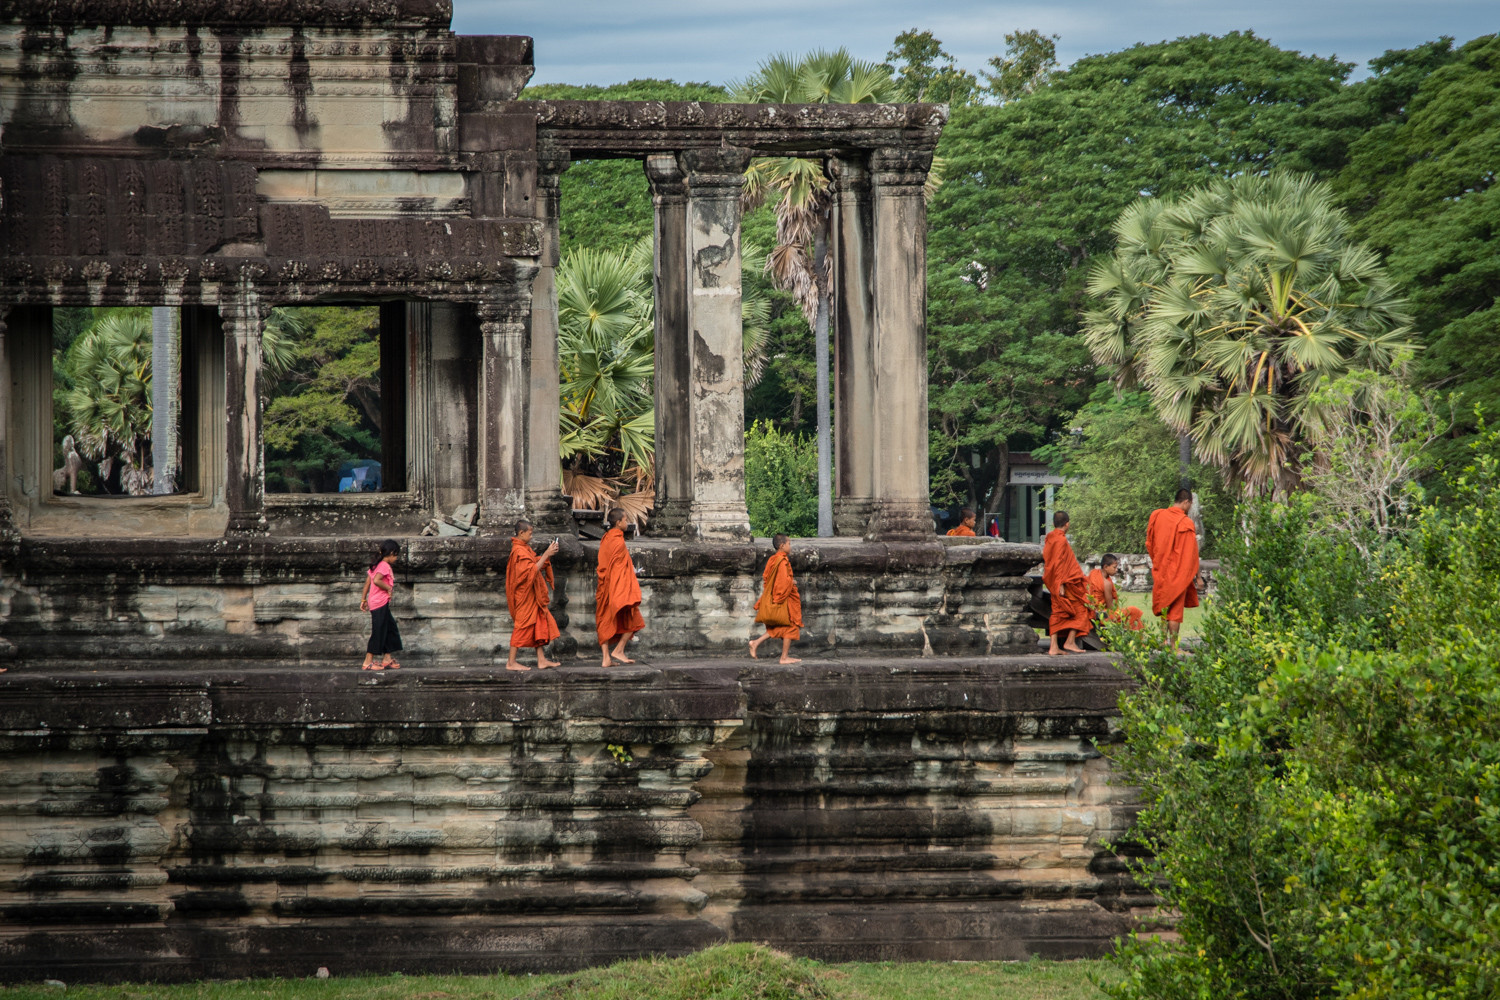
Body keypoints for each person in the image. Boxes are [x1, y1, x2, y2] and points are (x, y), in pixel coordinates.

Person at [1146, 488, 1201, 648]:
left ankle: (1163, 641)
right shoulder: (1185, 522)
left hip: (1161, 569)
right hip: (1178, 573)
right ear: (1186, 502)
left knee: (1165, 607)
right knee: (1175, 612)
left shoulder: (1157, 515)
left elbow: (1150, 543)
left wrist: (1158, 561)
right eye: (1190, 505)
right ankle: (1173, 646)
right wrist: (1197, 576)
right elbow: (1192, 552)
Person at [505, 519, 561, 671]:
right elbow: (530, 572)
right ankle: (511, 662)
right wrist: (546, 555)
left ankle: (541, 660)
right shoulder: (518, 551)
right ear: (521, 533)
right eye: (530, 534)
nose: (531, 536)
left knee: (538, 624)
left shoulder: (524, 548)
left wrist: (547, 555)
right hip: (524, 594)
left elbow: (532, 564)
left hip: (531, 593)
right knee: (521, 626)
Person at [596, 507, 644, 667]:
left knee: (604, 619)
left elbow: (611, 564)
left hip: (605, 585)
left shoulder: (606, 538)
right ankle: (618, 650)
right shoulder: (617, 540)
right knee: (633, 617)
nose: (627, 523)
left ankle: (606, 658)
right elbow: (618, 568)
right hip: (617, 586)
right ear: (618, 522)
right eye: (625, 520)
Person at [1042, 511, 1090, 655]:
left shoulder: (1050, 538)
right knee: (1082, 608)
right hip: (1065, 582)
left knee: (1058, 612)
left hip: (1057, 581)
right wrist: (1060, 584)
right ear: (1067, 524)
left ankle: (1054, 646)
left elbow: (1050, 560)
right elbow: (1058, 563)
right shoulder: (1060, 540)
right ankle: (1069, 642)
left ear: (1053, 524)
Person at [749, 533, 802, 664]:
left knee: (780, 628)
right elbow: (782, 583)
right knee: (790, 626)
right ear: (782, 546)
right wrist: (792, 583)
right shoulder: (782, 561)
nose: (790, 547)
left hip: (778, 596)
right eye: (789, 544)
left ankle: (755, 643)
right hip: (784, 599)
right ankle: (784, 658)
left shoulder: (773, 559)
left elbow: (767, 577)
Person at [360, 538, 402, 670]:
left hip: (376, 602)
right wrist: (388, 588)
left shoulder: (376, 565)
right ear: (390, 554)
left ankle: (387, 658)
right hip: (380, 603)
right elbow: (377, 580)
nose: (396, 558)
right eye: (395, 555)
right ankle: (368, 661)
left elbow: (368, 582)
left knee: (390, 629)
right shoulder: (384, 565)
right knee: (379, 631)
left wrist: (363, 599)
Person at [1085, 553, 1145, 632]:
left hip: (1091, 611)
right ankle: (1137, 637)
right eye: (1114, 567)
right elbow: (1111, 608)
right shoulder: (1106, 584)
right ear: (1106, 567)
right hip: (1104, 616)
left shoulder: (1093, 573)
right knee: (1134, 610)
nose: (1116, 570)